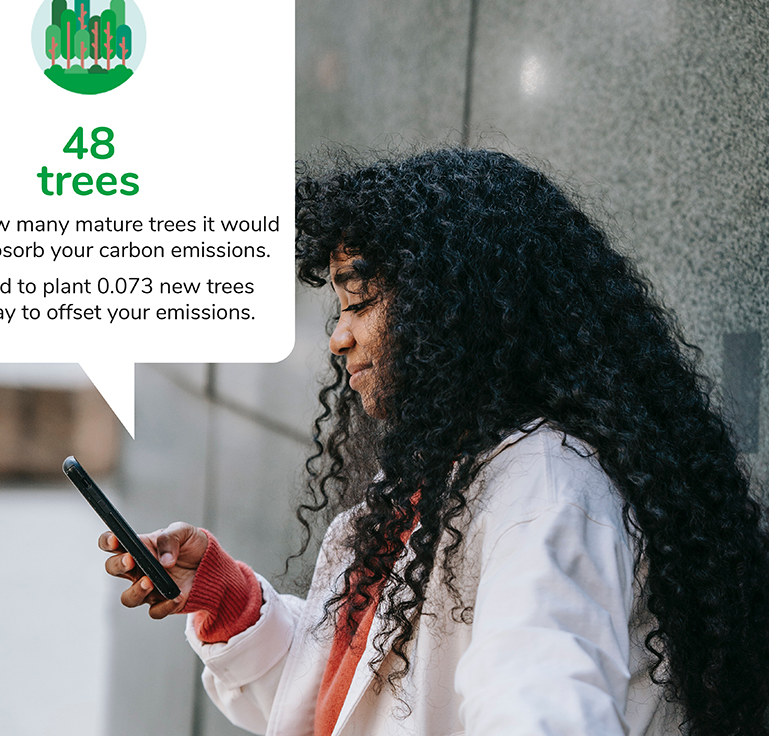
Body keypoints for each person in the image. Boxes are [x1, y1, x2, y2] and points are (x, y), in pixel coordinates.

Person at [100, 147, 769, 736]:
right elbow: (361, 705)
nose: (338, 336)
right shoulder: (460, 473)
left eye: (359, 301)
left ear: (454, 306)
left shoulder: (547, 492)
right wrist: (229, 601)